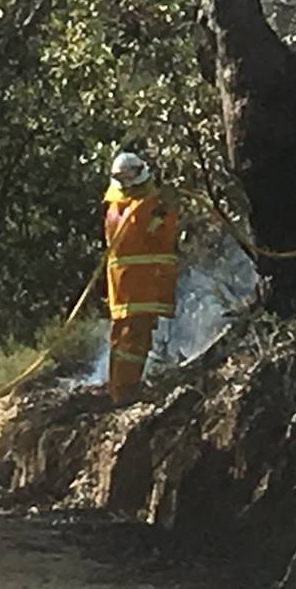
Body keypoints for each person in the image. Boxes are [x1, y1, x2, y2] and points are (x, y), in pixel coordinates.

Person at [101, 149, 177, 404]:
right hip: (142, 287)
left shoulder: (115, 208)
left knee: (122, 340)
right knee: (134, 341)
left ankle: (117, 389)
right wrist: (169, 212)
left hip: (124, 289)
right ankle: (126, 392)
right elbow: (160, 238)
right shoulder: (144, 207)